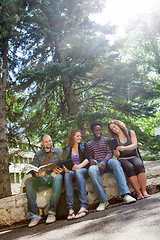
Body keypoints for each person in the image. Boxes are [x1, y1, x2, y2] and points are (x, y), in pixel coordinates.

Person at [87, 122, 136, 211]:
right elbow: (89, 157)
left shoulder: (107, 140)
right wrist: (92, 161)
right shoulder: (89, 144)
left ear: (101, 130)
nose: (98, 132)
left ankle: (125, 195)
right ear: (92, 132)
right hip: (97, 165)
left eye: (99, 130)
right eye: (96, 130)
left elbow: (110, 153)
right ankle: (103, 201)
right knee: (91, 170)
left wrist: (105, 161)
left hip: (107, 162)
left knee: (115, 162)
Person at [26, 134, 64, 227]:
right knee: (29, 183)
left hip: (54, 178)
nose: (49, 143)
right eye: (46, 141)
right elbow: (33, 169)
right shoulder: (38, 155)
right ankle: (35, 216)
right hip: (42, 179)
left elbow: (66, 166)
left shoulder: (59, 151)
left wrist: (61, 171)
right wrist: (36, 173)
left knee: (58, 178)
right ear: (42, 143)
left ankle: (52, 212)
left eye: (50, 141)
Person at [108, 120, 151, 200]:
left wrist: (124, 148)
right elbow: (117, 156)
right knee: (129, 167)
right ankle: (139, 193)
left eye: (114, 126)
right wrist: (116, 150)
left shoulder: (130, 132)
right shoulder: (113, 139)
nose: (113, 129)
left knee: (139, 165)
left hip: (133, 156)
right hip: (122, 158)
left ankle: (144, 192)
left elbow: (134, 145)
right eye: (111, 129)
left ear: (119, 125)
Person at [63, 129, 90, 220]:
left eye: (80, 136)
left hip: (82, 170)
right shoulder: (66, 149)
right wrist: (65, 168)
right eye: (77, 136)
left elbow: (87, 159)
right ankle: (70, 208)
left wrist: (79, 166)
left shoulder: (84, 146)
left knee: (78, 172)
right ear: (72, 137)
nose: (80, 137)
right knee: (67, 175)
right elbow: (63, 162)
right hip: (71, 171)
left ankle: (84, 206)